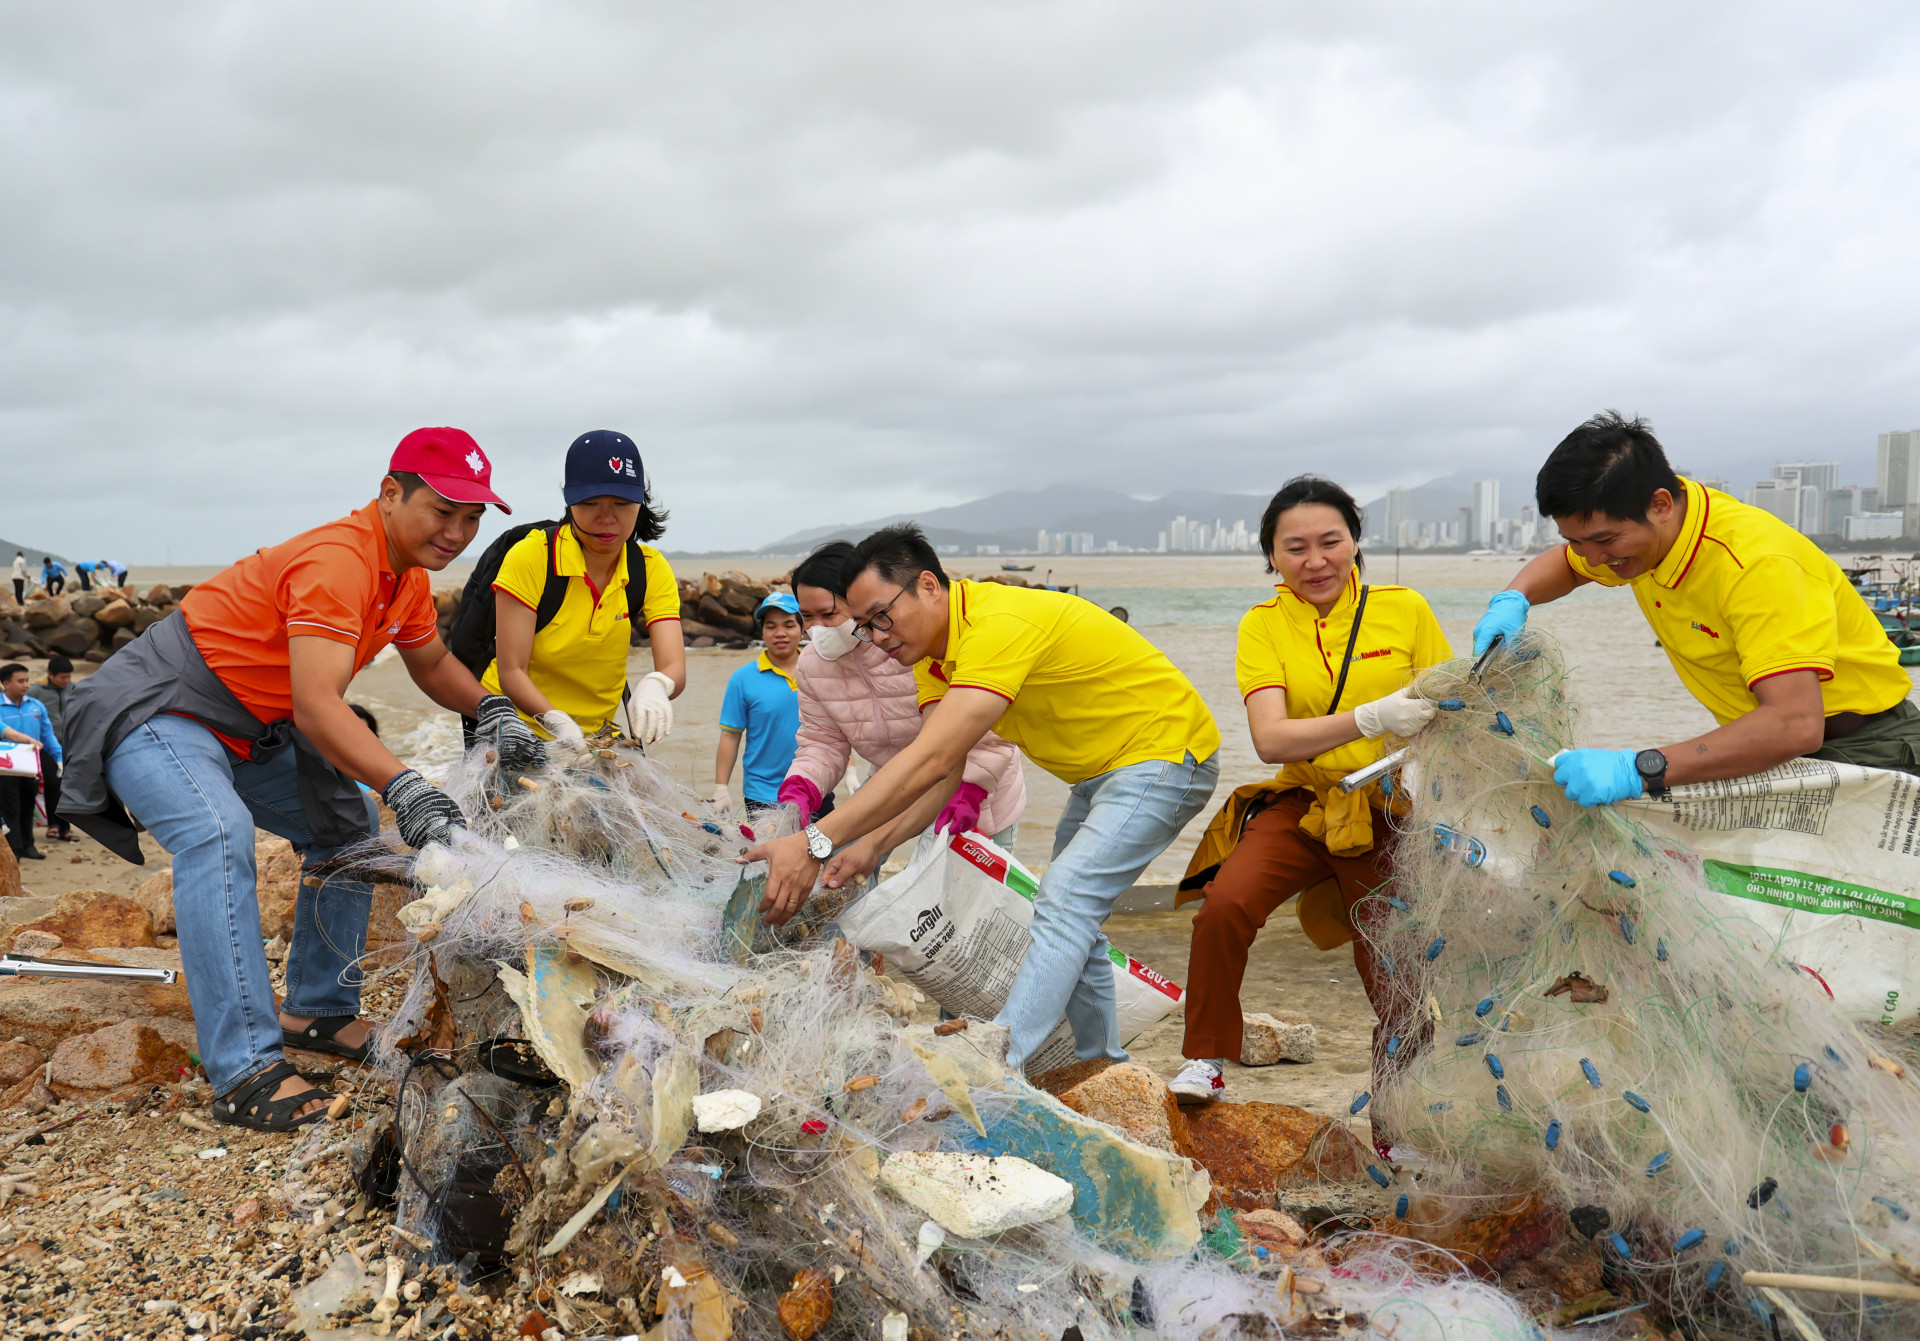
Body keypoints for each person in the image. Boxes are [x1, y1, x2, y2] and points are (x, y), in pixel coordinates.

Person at [60, 427, 546, 1133]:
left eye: (472, 518)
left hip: (251, 727)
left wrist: (492, 705)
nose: (458, 531)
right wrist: (404, 785)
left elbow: (433, 663)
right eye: (444, 510)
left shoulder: (404, 577)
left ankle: (317, 1012)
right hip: (161, 708)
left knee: (343, 825)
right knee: (215, 833)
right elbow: (319, 707)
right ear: (390, 492)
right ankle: (245, 1070)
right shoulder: (339, 562)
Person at [746, 523, 1221, 1072]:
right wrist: (871, 846)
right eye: (864, 625)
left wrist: (815, 841)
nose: (875, 636)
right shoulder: (929, 660)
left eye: (880, 617)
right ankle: (1099, 1065)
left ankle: (999, 1061)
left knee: (1065, 900)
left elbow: (930, 760)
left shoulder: (996, 625)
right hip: (1098, 776)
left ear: (928, 585)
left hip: (1165, 756)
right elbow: (940, 769)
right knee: (1067, 913)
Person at [1168, 478, 1449, 1119]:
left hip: (1388, 808)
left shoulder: (1405, 609)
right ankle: (1205, 1060)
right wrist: (1371, 717)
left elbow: (1448, 711)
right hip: (1306, 801)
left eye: (1331, 541)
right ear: (1272, 555)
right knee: (1225, 906)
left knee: (1394, 960)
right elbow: (1271, 739)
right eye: (1295, 547)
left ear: (1355, 542)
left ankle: (1399, 1110)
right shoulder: (1262, 625)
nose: (1315, 560)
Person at [1472, 412, 1919, 803]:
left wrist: (1639, 768)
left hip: (1866, 748)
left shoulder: (1755, 564)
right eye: (1576, 541)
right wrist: (1513, 600)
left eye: (1605, 541)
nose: (1592, 558)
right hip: (1768, 746)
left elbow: (1795, 723)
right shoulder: (1645, 543)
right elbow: (1567, 569)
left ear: (1661, 505)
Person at [776, 541, 1026, 880]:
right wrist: (801, 788)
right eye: (807, 616)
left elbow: (988, 729)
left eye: (829, 613)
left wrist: (973, 786)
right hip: (891, 782)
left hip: (972, 787)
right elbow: (822, 742)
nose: (816, 627)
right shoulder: (811, 665)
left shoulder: (910, 644)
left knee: (967, 900)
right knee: (838, 868)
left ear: (862, 602)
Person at [483, 430, 685, 749]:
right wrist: (556, 720)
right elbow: (512, 670)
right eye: (590, 502)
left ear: (640, 502)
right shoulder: (532, 556)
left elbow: (674, 666)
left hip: (598, 734)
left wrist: (658, 684)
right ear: (570, 500)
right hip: (515, 725)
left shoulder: (650, 567)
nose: (606, 518)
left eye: (621, 503)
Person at [715, 593, 811, 818]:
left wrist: (850, 770)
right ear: (762, 632)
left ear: (802, 628)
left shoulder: (818, 670)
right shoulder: (742, 679)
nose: (780, 633)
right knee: (770, 853)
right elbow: (730, 736)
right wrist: (721, 787)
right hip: (763, 794)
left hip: (814, 784)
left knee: (822, 852)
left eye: (789, 625)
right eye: (771, 626)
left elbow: (834, 726)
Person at [0, 663, 60, 862]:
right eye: (20, 681)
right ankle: (13, 849)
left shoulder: (36, 705)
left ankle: (28, 845)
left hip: (30, 763)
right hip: (6, 765)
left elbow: (47, 735)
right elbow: (9, 733)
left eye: (27, 680)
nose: (25, 684)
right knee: (10, 806)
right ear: (5, 683)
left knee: (28, 804)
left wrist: (58, 757)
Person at [27, 655, 76, 843]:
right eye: (62, 677)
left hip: (69, 744)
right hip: (45, 745)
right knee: (53, 783)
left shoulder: (73, 689)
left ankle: (65, 827)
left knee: (66, 785)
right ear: (50, 675)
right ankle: (53, 824)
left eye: (68, 677)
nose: (66, 681)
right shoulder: (36, 691)